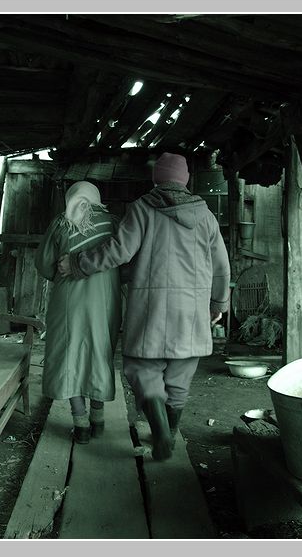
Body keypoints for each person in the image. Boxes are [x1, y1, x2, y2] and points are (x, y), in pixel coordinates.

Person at [58, 152, 230, 461]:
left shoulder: (142, 209)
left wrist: (78, 263)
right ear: (185, 179)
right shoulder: (205, 215)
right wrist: (219, 302)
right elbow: (221, 265)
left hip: (151, 310)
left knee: (142, 368)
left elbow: (119, 251)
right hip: (191, 313)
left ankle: (159, 430)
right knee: (179, 377)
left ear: (156, 178)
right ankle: (169, 434)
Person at [35, 180, 122, 444]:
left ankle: (80, 423)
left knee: (69, 355)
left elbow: (44, 264)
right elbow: (125, 260)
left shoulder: (61, 223)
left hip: (68, 301)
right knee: (99, 354)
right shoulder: (112, 223)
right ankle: (98, 420)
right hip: (105, 302)